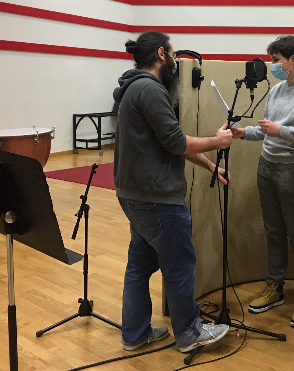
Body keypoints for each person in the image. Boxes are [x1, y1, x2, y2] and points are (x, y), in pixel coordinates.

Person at [113, 31, 232, 352]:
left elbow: (169, 141)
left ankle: (134, 334)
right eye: (174, 54)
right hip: (157, 199)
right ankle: (190, 334)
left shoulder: (130, 88)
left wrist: (211, 166)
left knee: (138, 267)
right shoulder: (150, 90)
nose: (177, 62)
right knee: (179, 264)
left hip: (133, 196)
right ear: (162, 55)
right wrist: (218, 142)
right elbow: (178, 143)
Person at [231, 35, 294, 329]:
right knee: (273, 231)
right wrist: (244, 133)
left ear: (293, 60)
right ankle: (274, 287)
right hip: (267, 167)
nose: (272, 66)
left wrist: (282, 131)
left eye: (276, 60)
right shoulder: (276, 90)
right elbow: (266, 131)